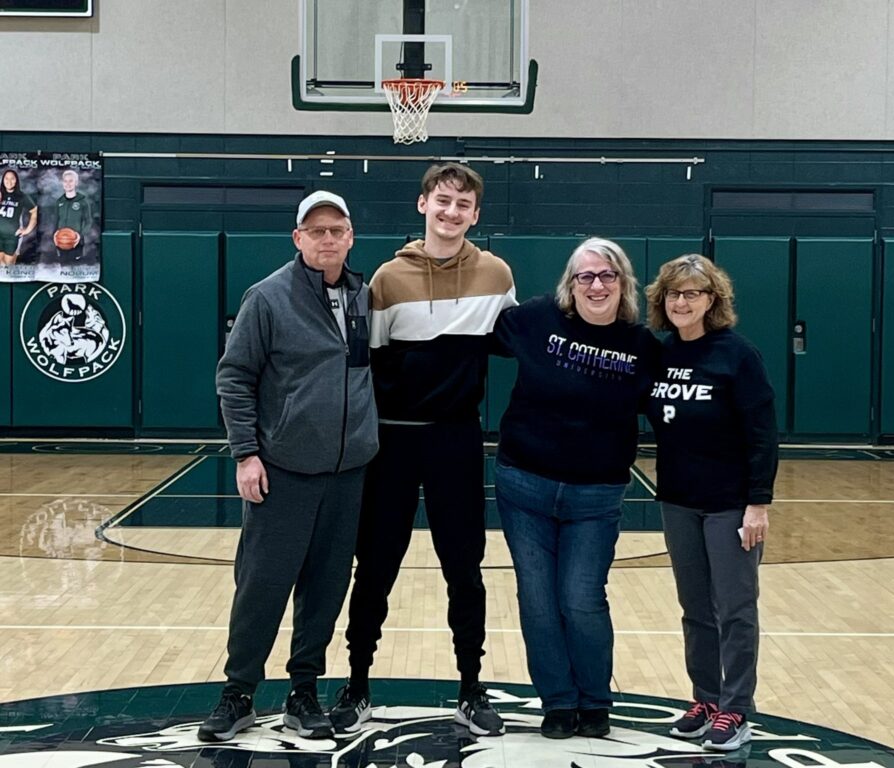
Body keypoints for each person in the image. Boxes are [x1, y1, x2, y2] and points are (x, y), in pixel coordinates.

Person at [333, 163, 515, 737]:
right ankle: (357, 683)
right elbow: (369, 366)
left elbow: (515, 341)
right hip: (391, 440)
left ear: (475, 214)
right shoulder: (387, 279)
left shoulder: (497, 274)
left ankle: (471, 687)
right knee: (375, 566)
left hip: (455, 438)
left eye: (463, 204)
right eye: (443, 200)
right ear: (423, 205)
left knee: (464, 566)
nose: (451, 211)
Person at [199, 190, 378, 742]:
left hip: (347, 474)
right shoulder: (268, 297)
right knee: (262, 586)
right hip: (283, 471)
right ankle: (238, 692)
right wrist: (246, 453)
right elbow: (234, 377)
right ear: (298, 238)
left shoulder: (364, 296)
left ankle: (304, 691)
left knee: (326, 588)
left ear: (350, 237)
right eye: (316, 231)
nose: (328, 239)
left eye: (337, 230)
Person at [491, 237, 657, 739]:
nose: (596, 285)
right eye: (586, 276)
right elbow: (468, 333)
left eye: (607, 275)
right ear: (571, 283)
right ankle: (559, 702)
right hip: (525, 486)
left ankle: (594, 700)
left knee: (581, 598)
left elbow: (679, 412)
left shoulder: (642, 346)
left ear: (623, 283)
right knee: (538, 600)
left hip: (596, 496)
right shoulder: (536, 319)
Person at [644, 254, 778, 752]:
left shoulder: (738, 355)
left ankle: (737, 708)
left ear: (712, 300)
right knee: (695, 608)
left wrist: (758, 504)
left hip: (730, 504)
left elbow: (762, 434)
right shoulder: (660, 354)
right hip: (678, 500)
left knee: (735, 609)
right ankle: (705, 699)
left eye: (692, 293)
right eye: (673, 294)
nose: (681, 302)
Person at [53, 169, 93, 262]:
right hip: (61, 240)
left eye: (71, 181)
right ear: (62, 183)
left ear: (76, 183)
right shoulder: (59, 201)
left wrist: (80, 235)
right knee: (63, 266)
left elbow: (88, 222)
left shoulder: (83, 201)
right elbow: (56, 221)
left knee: (74, 266)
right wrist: (55, 234)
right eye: (65, 181)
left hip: (76, 241)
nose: (68, 184)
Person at [0, 168, 38, 266]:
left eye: (12, 178)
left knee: (8, 265)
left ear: (16, 180)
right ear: (3, 180)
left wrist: (27, 230)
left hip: (12, 237)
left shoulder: (21, 196)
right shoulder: (0, 194)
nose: (9, 181)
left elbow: (34, 211)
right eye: (6, 178)